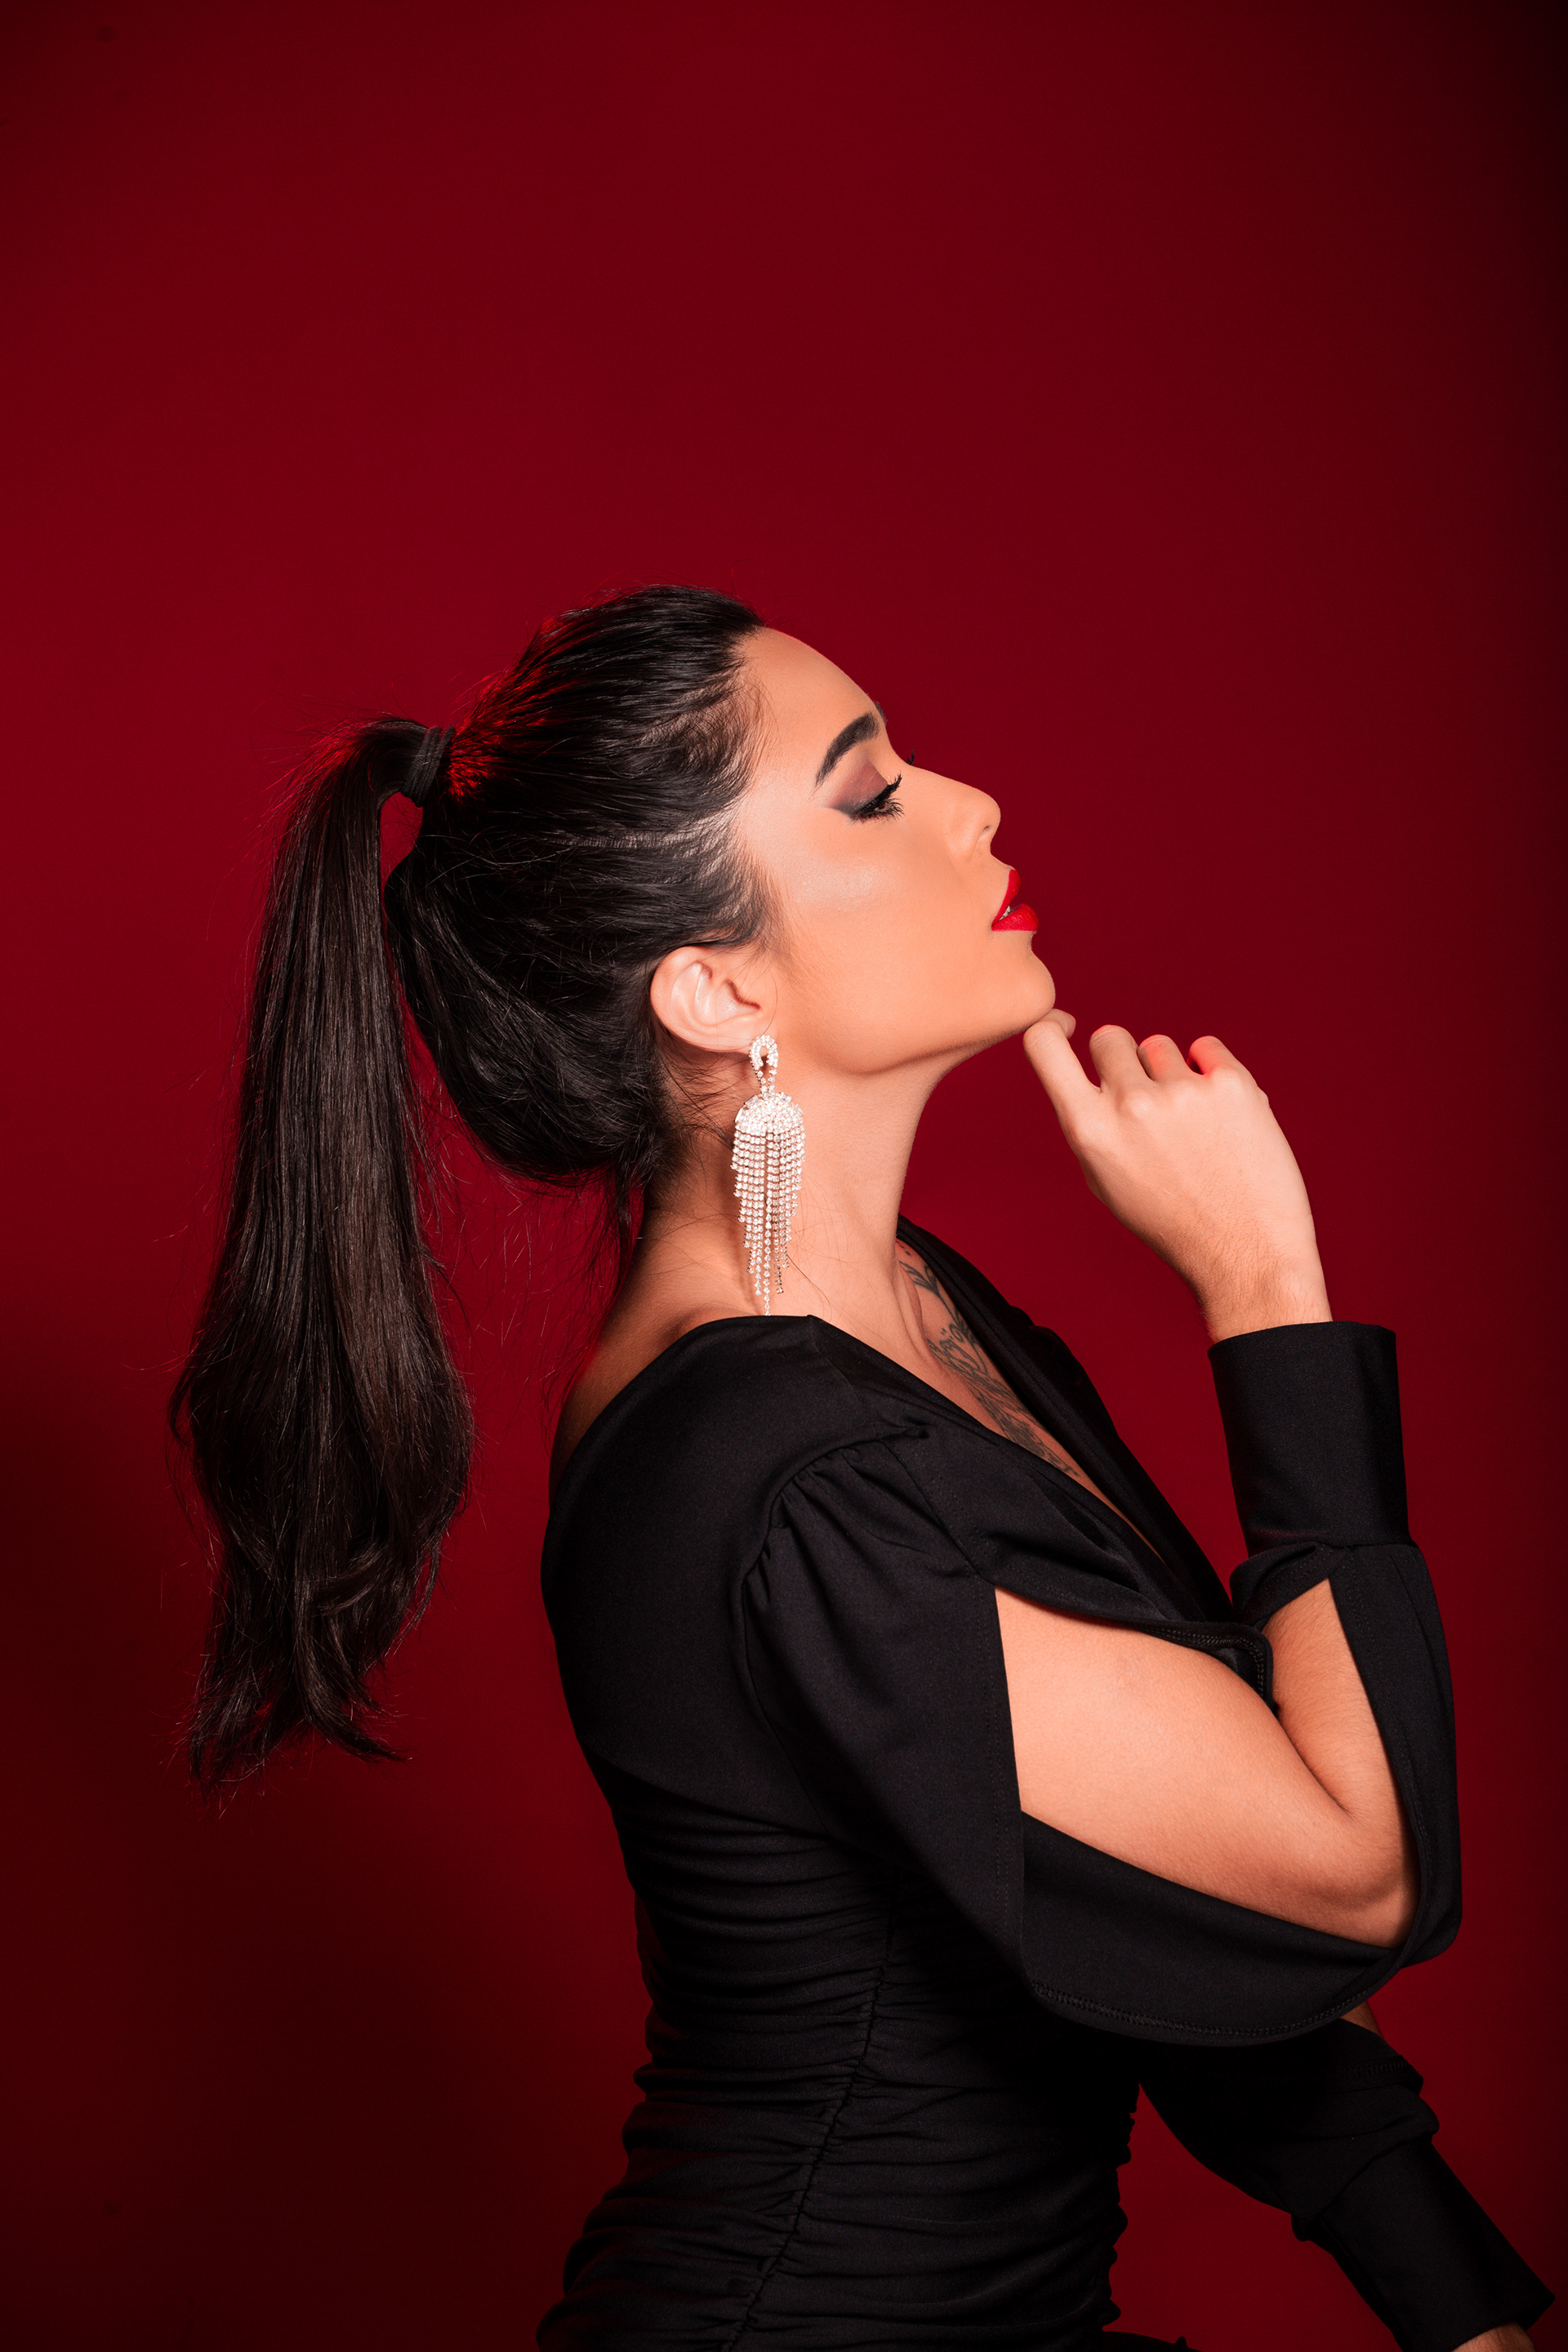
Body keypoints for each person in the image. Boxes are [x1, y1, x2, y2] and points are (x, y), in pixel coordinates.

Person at [174, 587, 1550, 2350]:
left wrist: (1461, 2313)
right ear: (716, 986)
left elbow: (1164, 1909)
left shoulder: (919, 1317)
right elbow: (1351, 1868)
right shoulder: (778, 1468)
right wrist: (1268, 1294)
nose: (970, 804)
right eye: (873, 791)